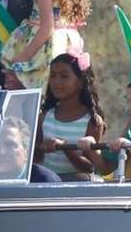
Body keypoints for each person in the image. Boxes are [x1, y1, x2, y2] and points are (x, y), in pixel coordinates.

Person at [34, 52, 105, 181]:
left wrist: (64, 147)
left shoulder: (92, 121)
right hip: (45, 184)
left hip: (74, 186)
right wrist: (40, 148)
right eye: (53, 76)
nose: (56, 82)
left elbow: (89, 167)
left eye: (64, 76)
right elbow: (36, 160)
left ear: (81, 82)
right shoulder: (44, 116)